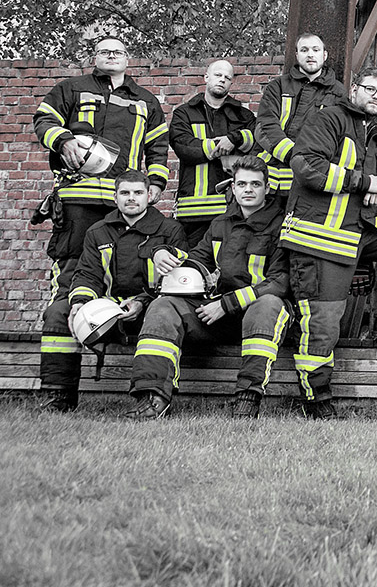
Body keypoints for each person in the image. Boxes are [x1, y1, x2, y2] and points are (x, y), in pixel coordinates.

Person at [279, 67, 377, 419]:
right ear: (353, 90)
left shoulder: (374, 134)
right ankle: (316, 397)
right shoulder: (329, 119)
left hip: (356, 237)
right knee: (323, 323)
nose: (376, 96)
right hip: (318, 239)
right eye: (370, 89)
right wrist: (364, 183)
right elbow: (306, 166)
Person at [127, 157, 291, 420]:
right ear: (233, 188)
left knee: (268, 303)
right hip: (220, 314)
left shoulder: (282, 225)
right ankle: (153, 399)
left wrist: (226, 304)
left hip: (261, 314)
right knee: (164, 306)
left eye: (255, 184)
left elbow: (281, 280)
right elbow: (195, 261)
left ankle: (247, 399)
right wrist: (162, 252)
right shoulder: (220, 224)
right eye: (242, 184)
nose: (248, 190)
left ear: (267, 188)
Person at [36, 170, 187, 412]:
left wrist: (141, 301)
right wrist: (79, 302)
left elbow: (177, 281)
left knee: (163, 312)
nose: (131, 198)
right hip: (107, 309)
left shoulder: (170, 230)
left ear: (149, 196)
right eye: (124, 193)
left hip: (150, 308)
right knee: (58, 313)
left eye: (138, 192)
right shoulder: (98, 231)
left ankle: (149, 399)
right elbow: (87, 273)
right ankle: (58, 395)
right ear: (115, 197)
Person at [32, 36, 170, 300]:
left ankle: (108, 321)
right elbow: (44, 120)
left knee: (122, 267)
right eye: (105, 51)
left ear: (127, 58)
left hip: (122, 203)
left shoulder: (146, 101)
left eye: (118, 52)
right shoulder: (71, 88)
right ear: (95, 57)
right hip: (77, 198)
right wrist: (63, 141)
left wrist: (156, 182)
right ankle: (62, 316)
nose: (111, 55)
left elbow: (158, 147)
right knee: (71, 264)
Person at [169, 59, 258, 246]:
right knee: (194, 260)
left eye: (227, 77)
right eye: (218, 75)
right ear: (206, 77)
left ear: (231, 83)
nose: (222, 79)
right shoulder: (184, 113)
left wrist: (233, 138)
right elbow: (184, 147)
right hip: (194, 211)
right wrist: (224, 148)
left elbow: (257, 145)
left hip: (234, 209)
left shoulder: (245, 116)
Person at [255, 32, 346, 194]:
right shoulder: (278, 86)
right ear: (297, 56)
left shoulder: (339, 92)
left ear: (324, 55)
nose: (310, 54)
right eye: (304, 50)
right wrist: (294, 155)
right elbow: (265, 126)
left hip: (310, 180)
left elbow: (341, 137)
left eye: (316, 50)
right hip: (271, 177)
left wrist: (312, 163)